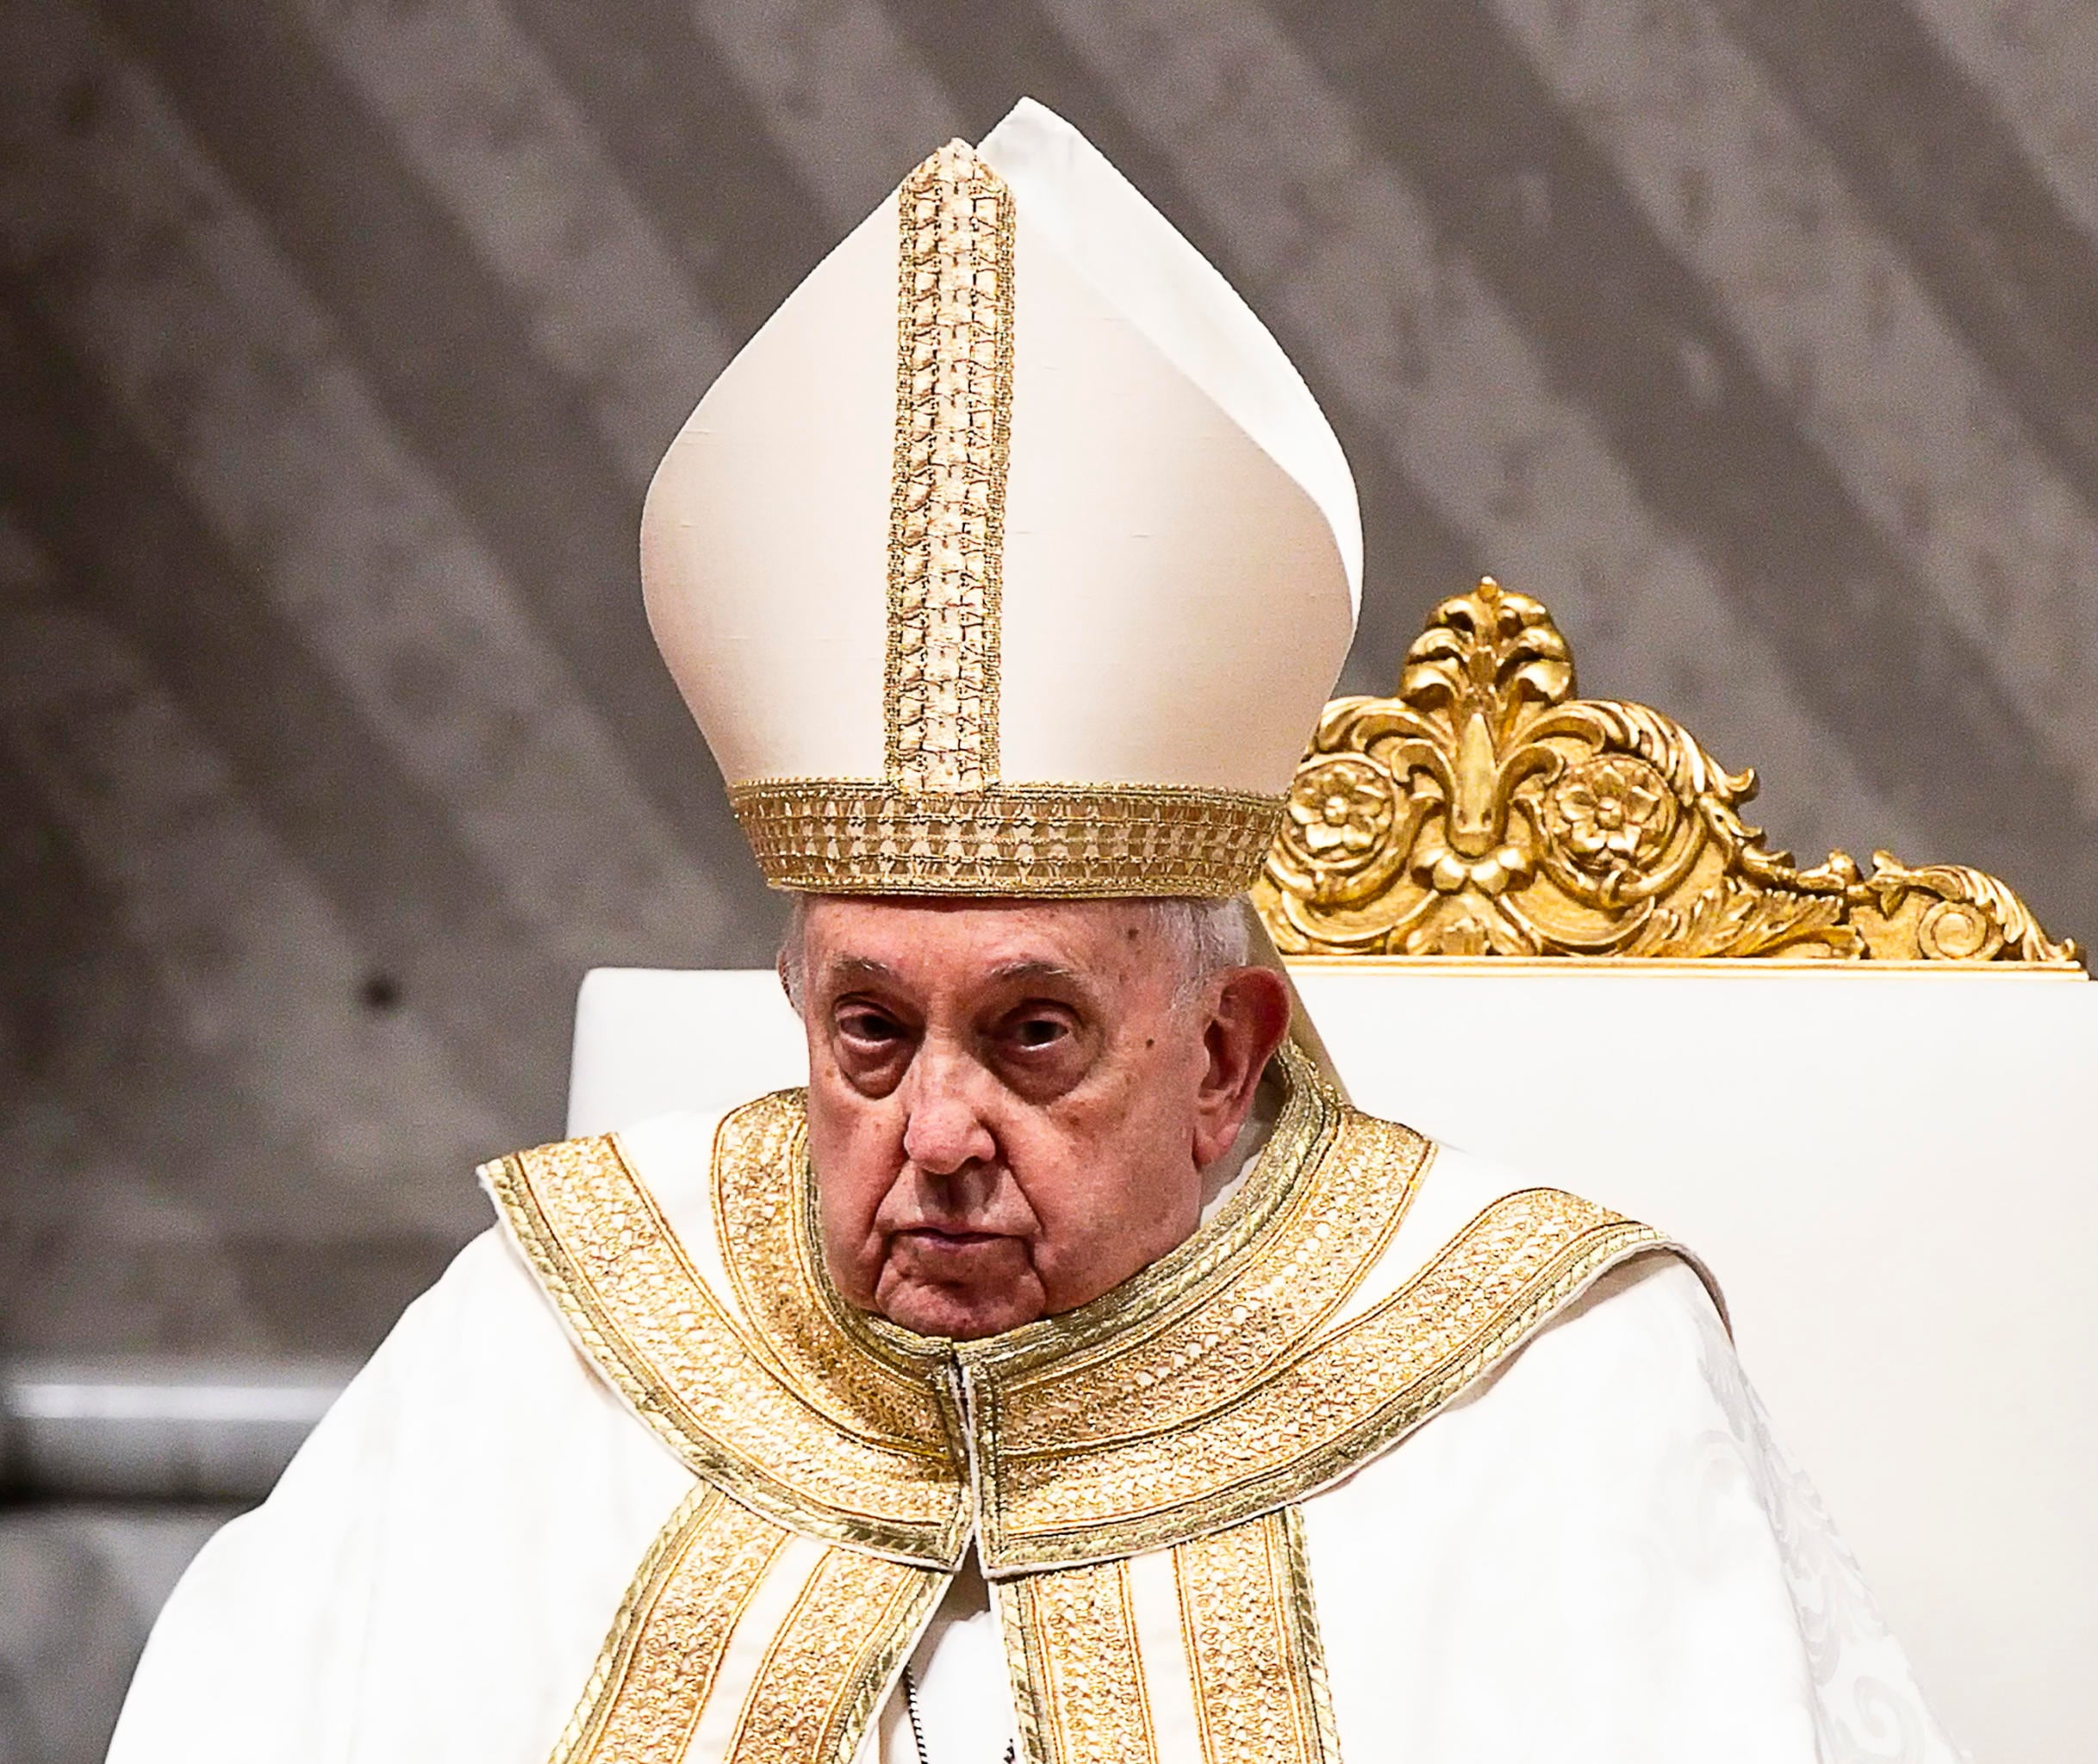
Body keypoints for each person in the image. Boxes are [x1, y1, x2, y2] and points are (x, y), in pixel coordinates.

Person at [106, 99, 1964, 1764]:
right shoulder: (541, 1346)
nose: (934, 1138)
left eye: (1034, 1035)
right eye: (868, 1032)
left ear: (1228, 1051)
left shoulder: (1554, 1397)